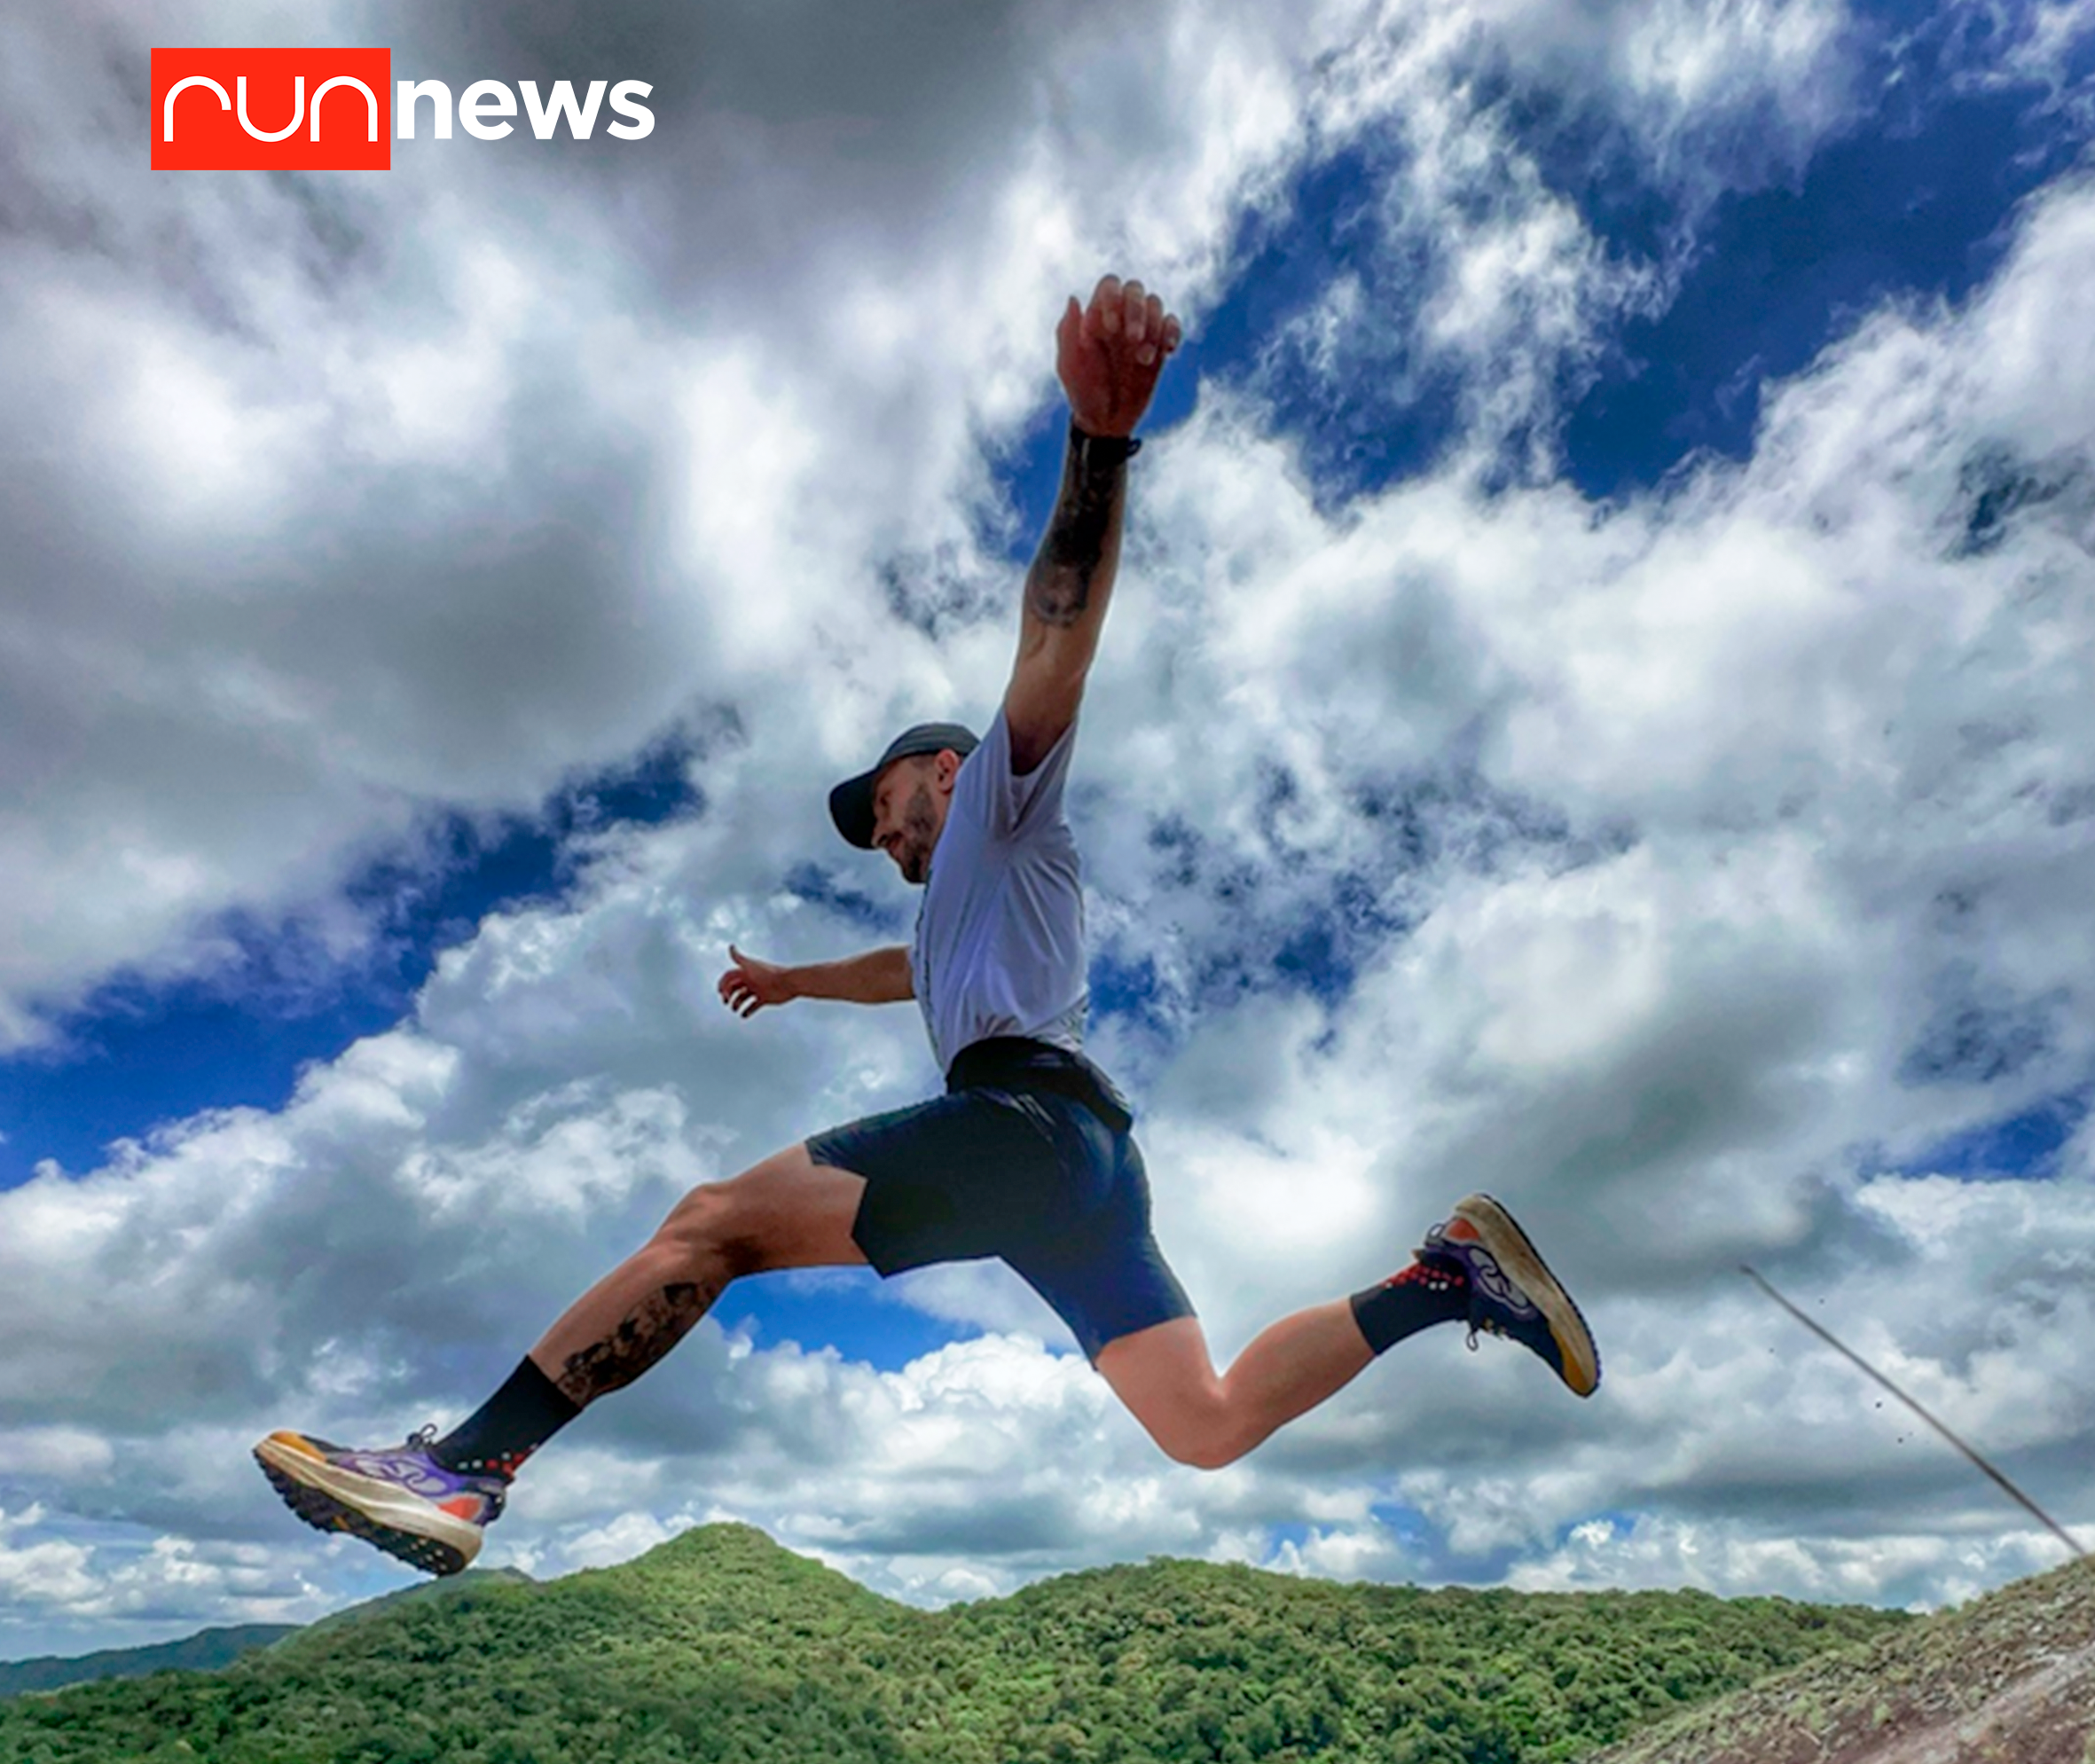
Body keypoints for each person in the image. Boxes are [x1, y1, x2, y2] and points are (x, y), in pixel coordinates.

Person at [255, 274, 1600, 1578]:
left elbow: (1055, 629)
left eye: (890, 802)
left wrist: (1099, 444)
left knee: (711, 1220)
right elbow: (905, 971)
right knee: (1204, 1422)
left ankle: (466, 1466)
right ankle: (1446, 1275)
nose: (888, 833)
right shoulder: (972, 913)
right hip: (1085, 1167)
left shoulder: (996, 807)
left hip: (1021, 1126)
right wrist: (789, 981)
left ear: (947, 771)